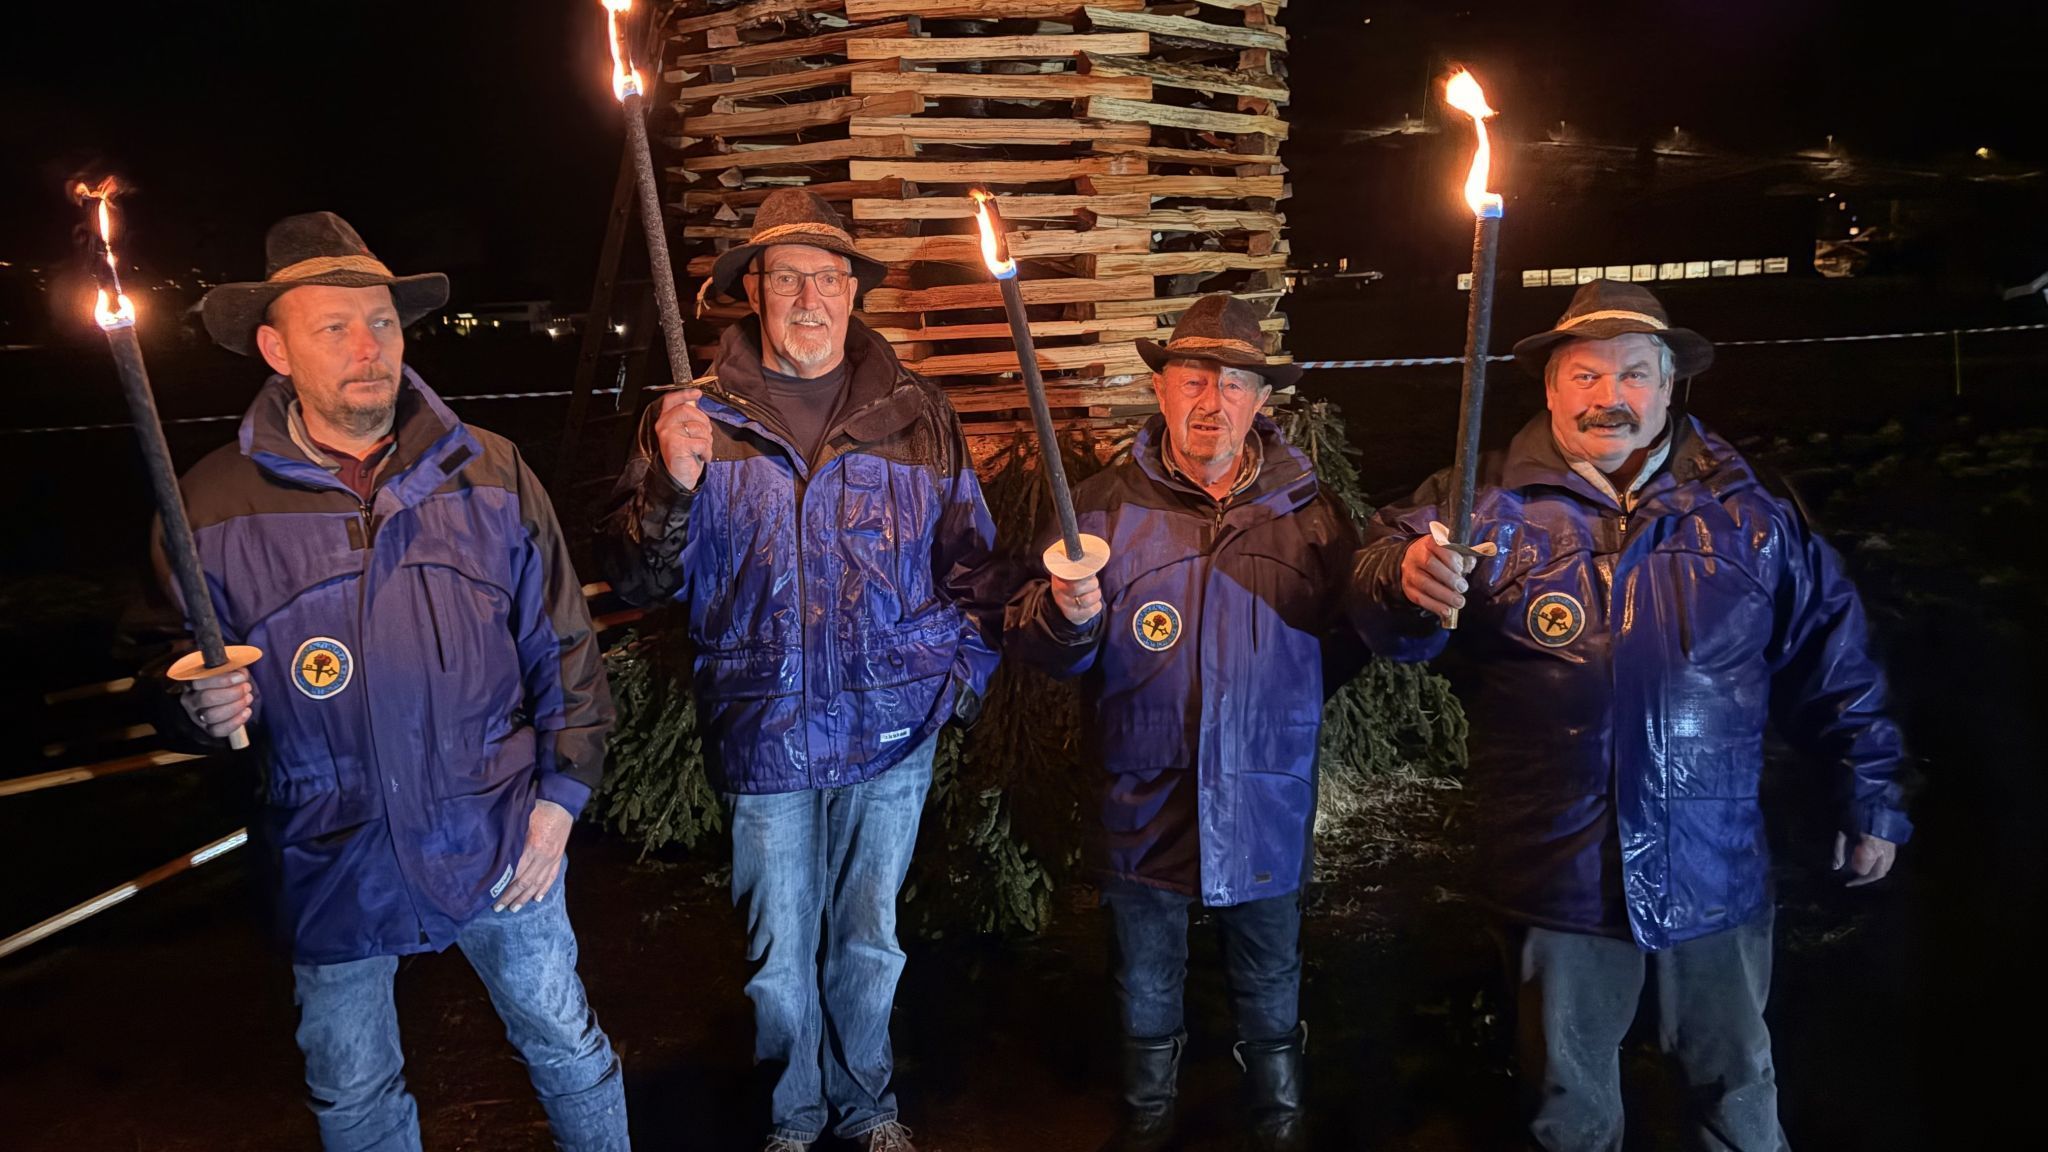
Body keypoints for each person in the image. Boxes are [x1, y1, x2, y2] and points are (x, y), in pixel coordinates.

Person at [1350, 279, 1913, 1151]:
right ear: (1549, 387)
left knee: (1735, 1096)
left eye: (1634, 374)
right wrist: (1403, 578)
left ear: (1669, 386)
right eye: (1585, 375)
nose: (1610, 397)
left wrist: (1868, 793)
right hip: (1559, 876)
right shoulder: (1479, 505)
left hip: (1713, 868)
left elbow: (1834, 662)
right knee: (1568, 1112)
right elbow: (1382, 587)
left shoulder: (1750, 515)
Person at [134, 211, 627, 1151]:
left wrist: (562, 798)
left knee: (565, 1043)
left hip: (497, 831)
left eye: (385, 324)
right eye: (336, 328)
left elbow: (564, 645)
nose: (370, 348)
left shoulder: (487, 470)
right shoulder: (207, 505)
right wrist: (187, 704)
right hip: (327, 848)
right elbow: (158, 667)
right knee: (354, 1094)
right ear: (275, 347)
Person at [595, 190, 1007, 1152]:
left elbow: (974, 567)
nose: (810, 297)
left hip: (891, 731)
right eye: (787, 278)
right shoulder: (694, 422)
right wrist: (671, 485)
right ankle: (792, 1119)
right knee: (778, 959)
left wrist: (956, 683)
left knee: (870, 943)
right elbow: (640, 577)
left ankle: (868, 1110)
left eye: (829, 277)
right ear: (753, 292)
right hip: (765, 727)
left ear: (855, 293)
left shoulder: (917, 418)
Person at [1007, 294, 1362, 1152]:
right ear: (1160, 390)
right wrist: (1066, 617)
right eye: (1192, 379)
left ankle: (1278, 1122)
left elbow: (1351, 640)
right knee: (1145, 977)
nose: (1212, 401)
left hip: (1264, 787)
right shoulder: (1098, 507)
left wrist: (1276, 714)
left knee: (1270, 974)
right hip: (1144, 789)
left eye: (1234, 383)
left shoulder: (1307, 511)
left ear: (1261, 400)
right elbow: (1044, 643)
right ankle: (1147, 1122)